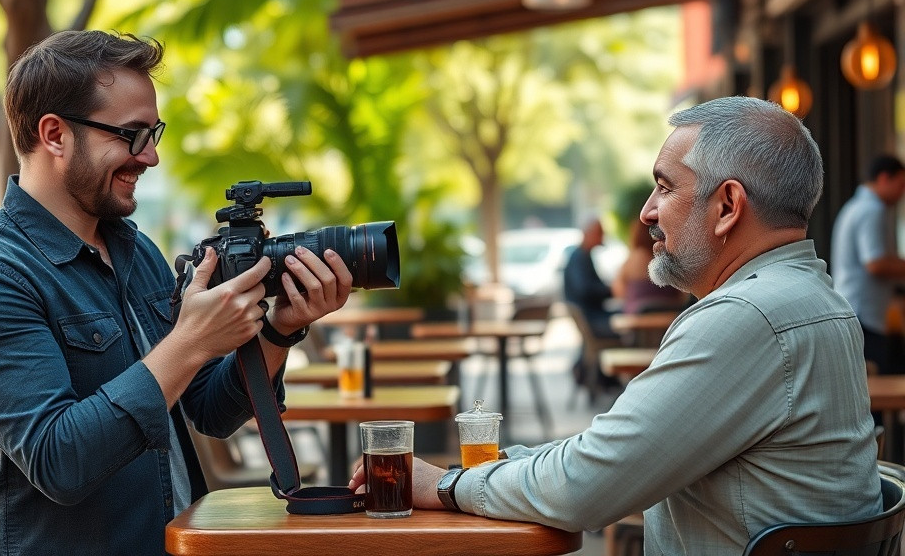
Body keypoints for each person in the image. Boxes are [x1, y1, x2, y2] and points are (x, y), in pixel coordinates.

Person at [353, 96, 881, 555]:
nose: (647, 212)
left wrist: (447, 486)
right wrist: (483, 473)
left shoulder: (747, 317)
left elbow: (584, 488)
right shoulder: (816, 300)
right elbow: (611, 455)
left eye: (665, 188)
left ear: (727, 206)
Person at [0, 30, 353, 556]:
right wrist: (191, 341)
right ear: (55, 134)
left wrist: (279, 328)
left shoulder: (135, 249)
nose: (150, 157)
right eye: (131, 135)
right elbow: (60, 462)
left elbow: (210, 411)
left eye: (153, 134)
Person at [831, 154, 905, 375]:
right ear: (884, 178)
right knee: (871, 384)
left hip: (855, 310)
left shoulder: (856, 206)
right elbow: (875, 263)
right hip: (863, 314)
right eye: (901, 184)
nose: (902, 192)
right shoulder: (872, 210)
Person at [611, 217, 687, 314]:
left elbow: (619, 291)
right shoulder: (670, 256)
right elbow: (683, 292)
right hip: (671, 312)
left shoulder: (634, 259)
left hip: (639, 315)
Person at [562, 217, 617, 338]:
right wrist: (611, 290)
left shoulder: (583, 256)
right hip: (591, 318)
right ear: (588, 233)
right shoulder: (579, 258)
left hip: (593, 315)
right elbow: (585, 290)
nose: (602, 237)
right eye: (599, 233)